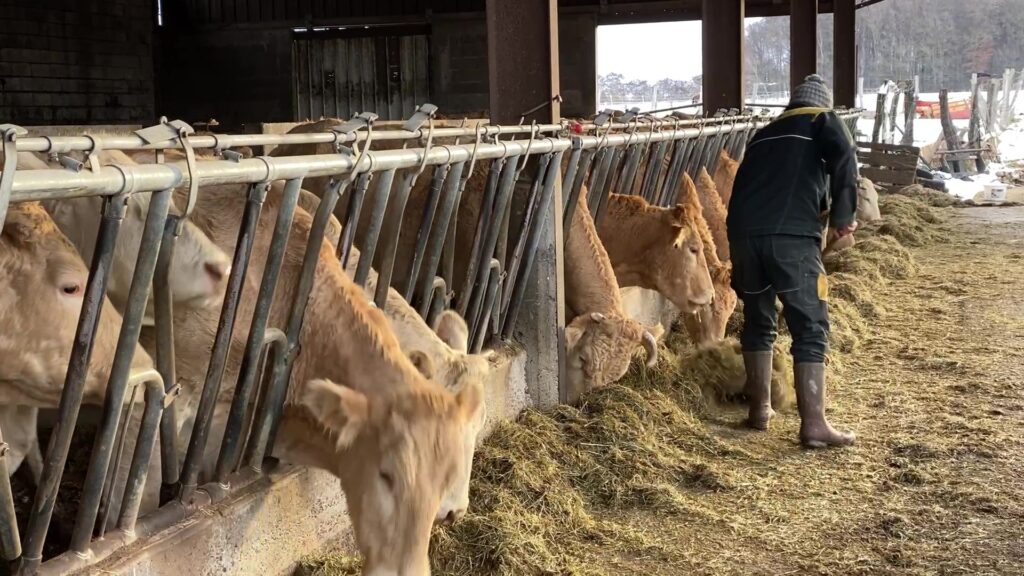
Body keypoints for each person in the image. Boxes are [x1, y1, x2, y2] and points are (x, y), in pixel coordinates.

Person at [726, 74, 858, 448]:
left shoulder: (764, 133)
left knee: (758, 320)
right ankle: (814, 425)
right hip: (791, 239)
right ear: (822, 103)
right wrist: (843, 218)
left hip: (743, 237)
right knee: (810, 325)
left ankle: (759, 411)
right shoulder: (822, 121)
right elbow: (845, 157)